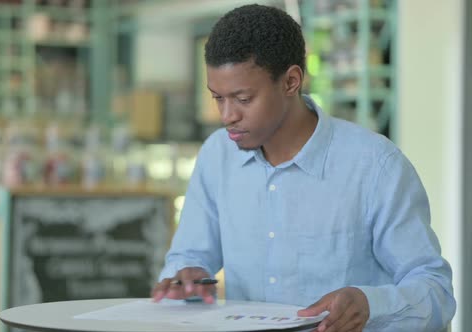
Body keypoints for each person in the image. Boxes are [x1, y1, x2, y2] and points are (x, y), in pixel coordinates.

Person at [150, 4, 456, 332]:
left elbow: (436, 292)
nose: (227, 116)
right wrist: (187, 278)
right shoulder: (216, 157)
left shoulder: (375, 167)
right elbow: (188, 257)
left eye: (242, 99)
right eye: (217, 98)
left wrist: (370, 304)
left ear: (291, 81)